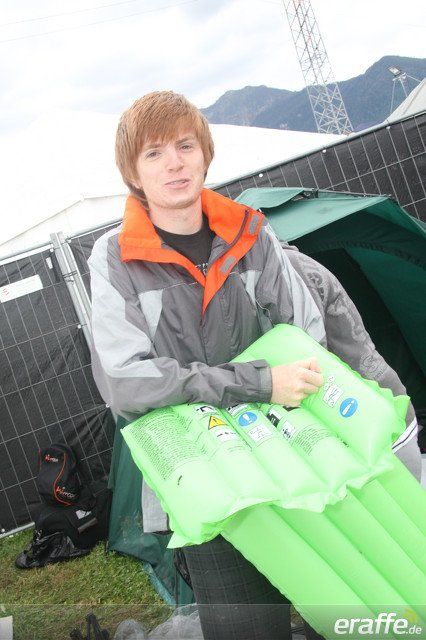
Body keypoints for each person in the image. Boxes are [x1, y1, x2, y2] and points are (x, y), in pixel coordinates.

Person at [88, 91, 422, 640]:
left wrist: (270, 386)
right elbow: (127, 383)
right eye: (154, 153)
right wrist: (260, 383)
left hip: (294, 456)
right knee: (246, 627)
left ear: (205, 154)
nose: (174, 163)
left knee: (357, 611)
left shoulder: (251, 232)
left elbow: (306, 341)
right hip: (208, 479)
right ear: (133, 173)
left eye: (185, 146)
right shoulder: (114, 257)